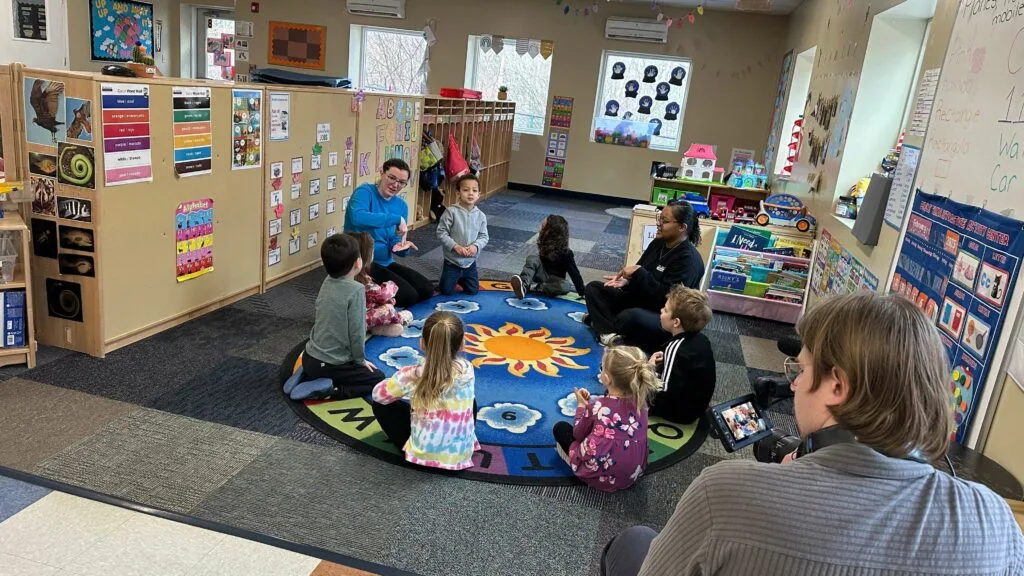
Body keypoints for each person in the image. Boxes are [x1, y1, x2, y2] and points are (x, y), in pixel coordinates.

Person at [601, 292, 1024, 576]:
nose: (795, 384)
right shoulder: (994, 519)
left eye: (801, 369)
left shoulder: (723, 491)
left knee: (635, 541)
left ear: (837, 386)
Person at [584, 200, 704, 352]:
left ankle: (603, 323)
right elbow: (640, 272)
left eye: (664, 221)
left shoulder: (688, 260)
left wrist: (640, 273)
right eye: (659, 218)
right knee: (594, 288)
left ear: (682, 227)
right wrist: (627, 281)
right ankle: (611, 333)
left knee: (630, 316)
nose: (659, 224)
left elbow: (667, 299)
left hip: (665, 316)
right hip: (642, 301)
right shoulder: (658, 243)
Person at [370, 311, 479, 470]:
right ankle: (461, 440)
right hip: (459, 458)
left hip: (421, 458)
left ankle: (420, 444)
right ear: (462, 343)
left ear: (422, 343)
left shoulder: (413, 374)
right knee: (471, 401)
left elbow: (378, 395)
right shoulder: (467, 369)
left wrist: (402, 380)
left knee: (381, 405)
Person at [552, 345, 661, 493]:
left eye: (602, 368)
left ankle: (574, 463)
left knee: (561, 428)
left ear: (606, 378)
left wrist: (581, 406)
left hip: (597, 476)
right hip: (633, 474)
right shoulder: (642, 403)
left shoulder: (598, 406)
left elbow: (578, 434)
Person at [301, 234, 385, 399]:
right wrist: (360, 361)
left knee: (327, 363)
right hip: (329, 365)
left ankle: (308, 376)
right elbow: (357, 332)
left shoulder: (327, 280)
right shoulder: (356, 290)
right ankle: (331, 391)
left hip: (309, 357)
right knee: (378, 378)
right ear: (357, 262)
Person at [344, 158, 433, 308]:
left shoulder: (401, 206)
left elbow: (394, 239)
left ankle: (374, 294)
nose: (395, 185)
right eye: (392, 178)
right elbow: (357, 217)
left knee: (426, 289)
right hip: (361, 261)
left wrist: (401, 247)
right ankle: (367, 296)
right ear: (382, 173)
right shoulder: (364, 192)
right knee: (409, 296)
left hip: (385, 261)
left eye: (401, 182)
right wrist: (395, 218)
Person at [647, 286, 715, 424]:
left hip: (680, 413)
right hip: (696, 408)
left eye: (666, 310)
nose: (661, 310)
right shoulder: (701, 339)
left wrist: (649, 370)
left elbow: (664, 392)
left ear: (676, 322)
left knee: (631, 382)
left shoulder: (675, 348)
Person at [347, 232, 414, 337]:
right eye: (372, 252)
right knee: (389, 309)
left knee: (386, 304)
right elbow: (383, 295)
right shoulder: (362, 280)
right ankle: (399, 319)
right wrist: (391, 285)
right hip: (359, 321)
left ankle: (377, 328)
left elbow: (374, 297)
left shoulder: (345, 275)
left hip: (358, 315)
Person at [511, 214, 586, 299]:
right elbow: (537, 263)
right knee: (532, 258)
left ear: (550, 233)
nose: (540, 230)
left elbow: (575, 274)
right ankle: (524, 286)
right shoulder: (545, 245)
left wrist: (582, 292)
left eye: (543, 227)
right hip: (541, 274)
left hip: (555, 281)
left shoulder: (566, 254)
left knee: (566, 286)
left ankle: (540, 287)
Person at [436, 174, 488, 295]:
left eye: (474, 190)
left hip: (470, 262)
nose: (470, 193)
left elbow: (484, 236)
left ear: (478, 194)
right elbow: (441, 232)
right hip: (452, 262)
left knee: (473, 291)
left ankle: (461, 279)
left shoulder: (481, 216)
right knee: (446, 291)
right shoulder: (451, 212)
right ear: (458, 193)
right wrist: (455, 246)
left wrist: (476, 246)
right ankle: (452, 278)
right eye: (466, 190)